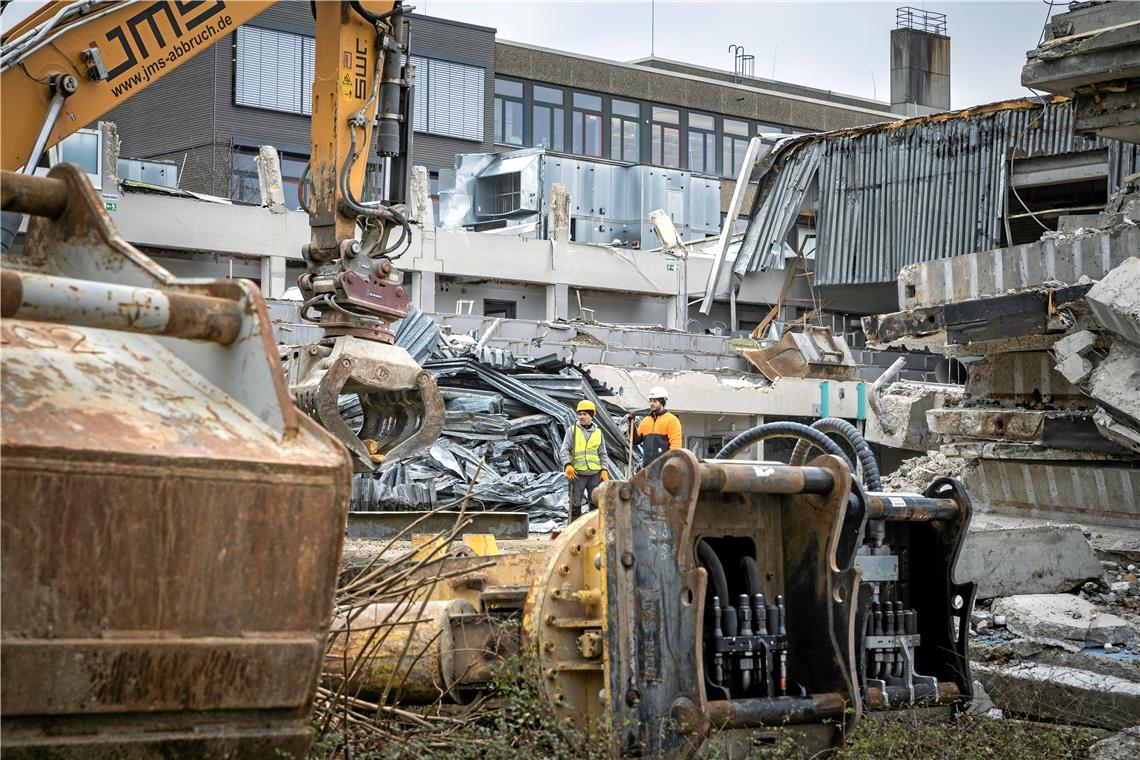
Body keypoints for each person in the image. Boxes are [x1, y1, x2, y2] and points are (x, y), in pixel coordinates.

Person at [559, 400, 614, 522]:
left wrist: (604, 469)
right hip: (577, 474)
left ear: (591, 416)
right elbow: (564, 450)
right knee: (575, 504)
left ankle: (594, 532)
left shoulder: (598, 433)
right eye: (580, 414)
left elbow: (603, 454)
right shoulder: (572, 431)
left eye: (584, 414)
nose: (581, 417)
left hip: (595, 474)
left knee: (595, 503)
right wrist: (567, 464)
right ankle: (573, 532)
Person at [628, 385, 682, 468]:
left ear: (662, 402)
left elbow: (675, 446)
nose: (651, 403)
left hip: (663, 468)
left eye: (655, 401)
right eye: (650, 401)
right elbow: (635, 441)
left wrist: (671, 466)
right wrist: (631, 425)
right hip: (647, 468)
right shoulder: (646, 420)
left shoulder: (672, 420)